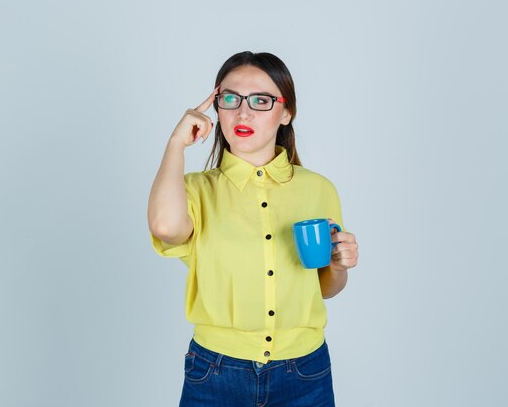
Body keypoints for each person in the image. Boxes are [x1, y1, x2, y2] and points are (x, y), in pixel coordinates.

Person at [147, 51, 359, 407]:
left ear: (286, 111)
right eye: (230, 99)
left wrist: (338, 266)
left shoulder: (319, 189)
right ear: (217, 107)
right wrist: (175, 144)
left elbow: (324, 287)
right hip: (215, 372)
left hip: (304, 372)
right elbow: (166, 227)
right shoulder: (195, 190)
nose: (243, 113)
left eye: (261, 100)